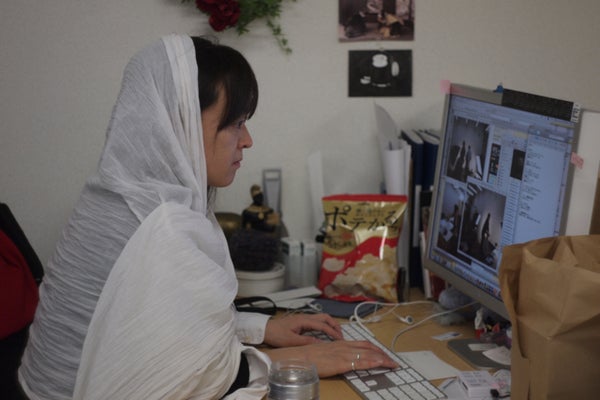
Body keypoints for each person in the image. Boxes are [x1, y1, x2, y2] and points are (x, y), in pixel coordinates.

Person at [18, 35, 397, 400]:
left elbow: (162, 330)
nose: (247, 140)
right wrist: (298, 361)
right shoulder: (162, 227)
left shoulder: (118, 196)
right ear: (178, 124)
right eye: (235, 123)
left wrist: (262, 328)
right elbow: (184, 381)